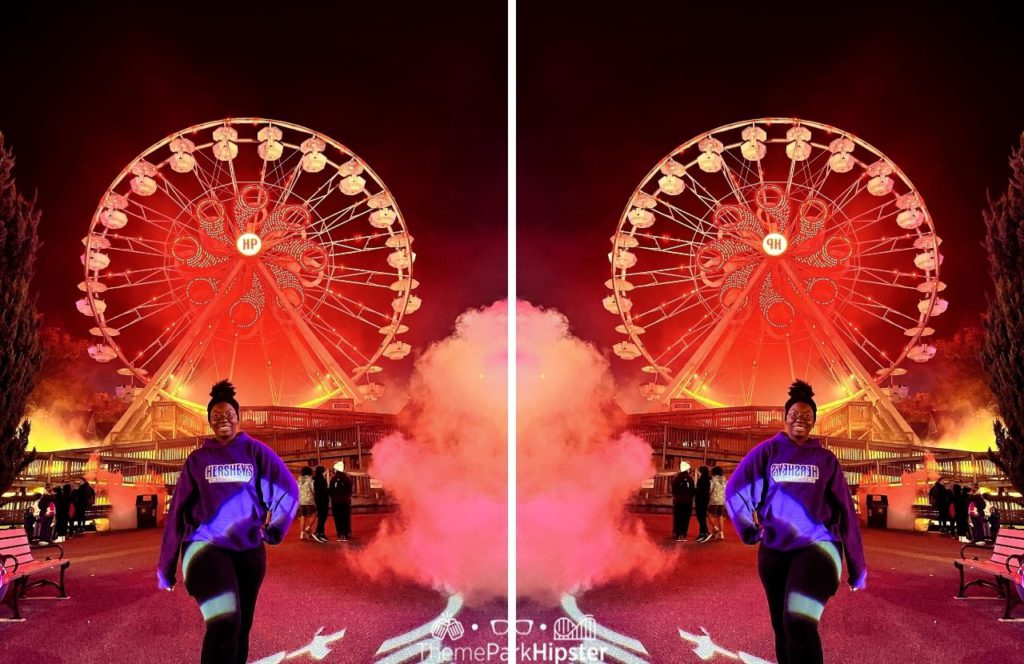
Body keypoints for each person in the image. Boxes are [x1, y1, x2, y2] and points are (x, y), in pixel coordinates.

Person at [157, 380, 299, 664]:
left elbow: (288, 489)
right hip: (205, 548)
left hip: (248, 552)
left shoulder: (256, 452)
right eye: (216, 416)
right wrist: (166, 565)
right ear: (209, 422)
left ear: (238, 417)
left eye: (228, 414)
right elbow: (177, 512)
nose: (223, 419)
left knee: (241, 626)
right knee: (224, 623)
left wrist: (275, 530)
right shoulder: (198, 460)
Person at [725, 380, 866, 664]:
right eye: (795, 414)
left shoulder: (826, 460)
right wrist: (748, 530)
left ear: (814, 421)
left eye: (807, 416)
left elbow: (846, 512)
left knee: (799, 622)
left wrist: (857, 565)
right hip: (775, 552)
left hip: (818, 547)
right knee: (781, 625)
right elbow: (735, 490)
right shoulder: (767, 452)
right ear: (785, 417)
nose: (800, 419)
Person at [329, 461, 354, 541]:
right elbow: (350, 489)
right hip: (345, 501)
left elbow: (331, 490)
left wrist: (333, 498)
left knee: (338, 518)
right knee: (346, 517)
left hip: (336, 502)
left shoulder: (333, 479)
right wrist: (347, 497)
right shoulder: (347, 478)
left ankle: (340, 534)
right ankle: (346, 533)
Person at [671, 461, 695, 542]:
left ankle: (677, 533)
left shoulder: (676, 478)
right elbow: (692, 490)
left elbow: (673, 489)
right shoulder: (690, 479)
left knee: (677, 517)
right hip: (687, 501)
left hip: (678, 501)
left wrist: (676, 496)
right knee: (685, 518)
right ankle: (683, 533)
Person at [708, 466, 727, 540]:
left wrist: (709, 496)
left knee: (710, 514)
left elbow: (710, 490)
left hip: (714, 500)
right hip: (722, 501)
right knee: (720, 516)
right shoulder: (724, 479)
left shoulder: (713, 480)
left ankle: (715, 527)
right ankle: (721, 533)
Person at [297, 466, 316, 541]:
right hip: (309, 500)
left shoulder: (299, 479)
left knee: (303, 516)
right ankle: (308, 527)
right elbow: (313, 489)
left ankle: (302, 533)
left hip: (301, 501)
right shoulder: (310, 480)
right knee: (313, 514)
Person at [695, 465, 712, 543]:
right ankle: (703, 532)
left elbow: (699, 491)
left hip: (700, 501)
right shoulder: (708, 480)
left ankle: (704, 532)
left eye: (699, 471)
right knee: (702, 517)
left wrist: (694, 490)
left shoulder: (701, 480)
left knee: (700, 517)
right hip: (705, 500)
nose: (698, 473)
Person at [312, 465, 329, 543]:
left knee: (322, 517)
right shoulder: (322, 480)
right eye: (324, 471)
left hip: (318, 500)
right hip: (323, 500)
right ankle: (318, 532)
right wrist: (329, 490)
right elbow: (324, 491)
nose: (325, 473)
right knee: (323, 517)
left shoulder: (315, 480)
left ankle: (321, 533)